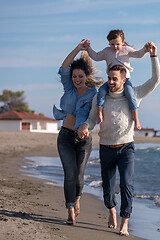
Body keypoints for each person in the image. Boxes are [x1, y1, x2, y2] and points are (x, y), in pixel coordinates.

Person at [78, 42, 160, 236]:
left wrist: (153, 56)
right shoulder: (100, 97)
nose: (111, 82)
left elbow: (156, 80)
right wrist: (85, 126)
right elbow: (91, 119)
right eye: (109, 78)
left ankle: (125, 222)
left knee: (126, 184)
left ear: (124, 80)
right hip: (106, 147)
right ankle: (111, 210)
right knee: (107, 187)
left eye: (114, 79)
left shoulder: (135, 94)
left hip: (126, 148)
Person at [53, 40, 103, 225]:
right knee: (70, 174)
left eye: (80, 76)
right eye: (74, 76)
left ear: (86, 76)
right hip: (65, 136)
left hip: (83, 139)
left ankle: (78, 197)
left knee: (79, 175)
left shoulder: (94, 94)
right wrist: (78, 48)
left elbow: (95, 115)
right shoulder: (68, 88)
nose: (77, 79)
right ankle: (70, 209)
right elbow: (64, 67)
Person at [84, 29, 149, 129]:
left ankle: (136, 119)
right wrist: (88, 48)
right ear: (109, 43)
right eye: (112, 44)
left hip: (125, 80)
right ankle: (100, 113)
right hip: (112, 80)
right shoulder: (107, 51)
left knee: (130, 93)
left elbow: (138, 54)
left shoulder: (126, 50)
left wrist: (146, 49)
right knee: (101, 91)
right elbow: (96, 56)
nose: (115, 47)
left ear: (123, 42)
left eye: (117, 44)